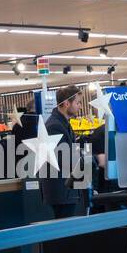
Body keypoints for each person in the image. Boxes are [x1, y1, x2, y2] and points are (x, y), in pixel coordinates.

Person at [41, 85, 84, 218]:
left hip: (66, 190)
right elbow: (66, 158)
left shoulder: (63, 123)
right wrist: (88, 157)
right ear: (66, 103)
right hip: (61, 190)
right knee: (65, 233)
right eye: (77, 103)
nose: (80, 106)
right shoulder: (54, 126)